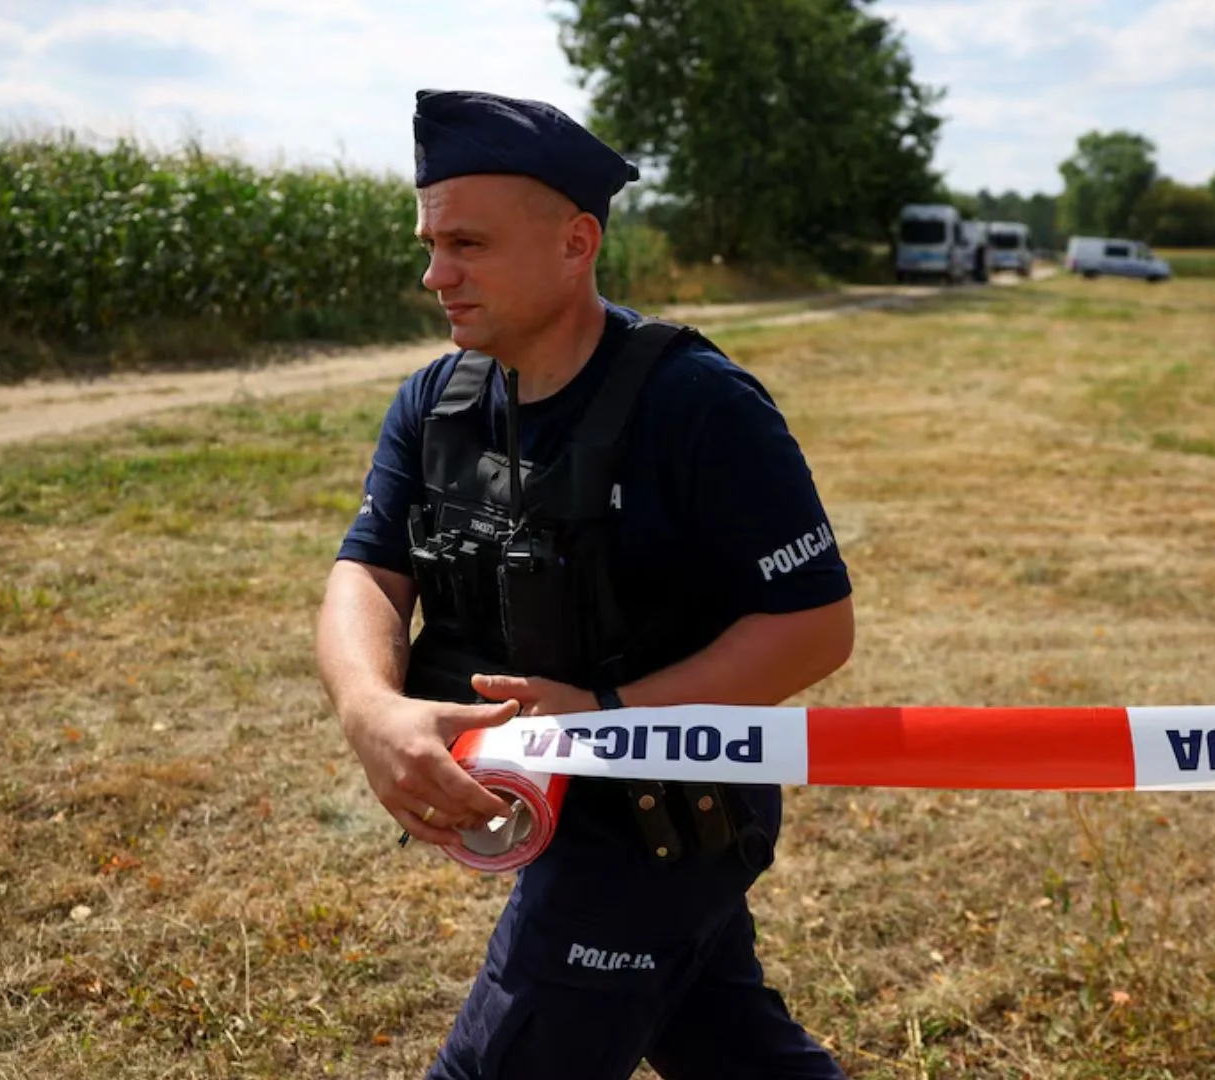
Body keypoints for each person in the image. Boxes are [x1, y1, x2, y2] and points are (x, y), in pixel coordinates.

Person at [315, 88, 855, 1079]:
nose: (435, 274)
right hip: (551, 803)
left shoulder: (699, 406)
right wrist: (370, 709)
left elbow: (815, 624)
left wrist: (605, 715)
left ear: (576, 244)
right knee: (728, 1046)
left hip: (670, 815)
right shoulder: (436, 401)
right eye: (431, 244)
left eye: (468, 244)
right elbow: (370, 569)